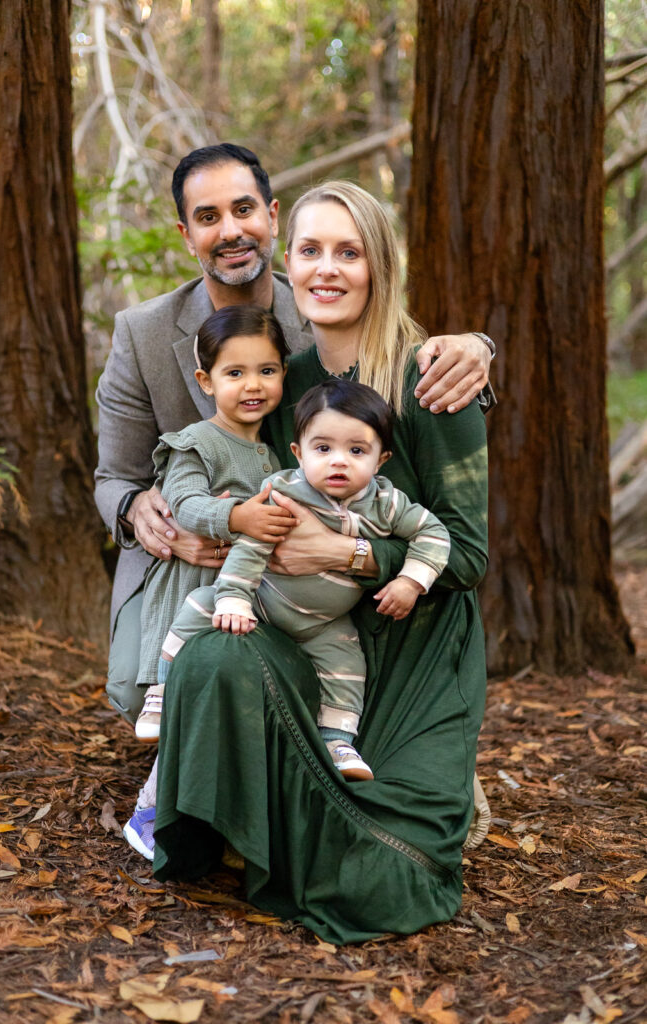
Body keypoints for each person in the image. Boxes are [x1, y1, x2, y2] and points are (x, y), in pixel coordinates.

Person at [151, 182, 489, 944]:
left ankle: (333, 811)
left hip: (414, 648)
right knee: (210, 655)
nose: (326, 268)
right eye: (310, 250)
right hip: (303, 627)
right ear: (287, 263)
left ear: (380, 265)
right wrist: (174, 513)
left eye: (349, 251)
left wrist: (349, 552)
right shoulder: (284, 379)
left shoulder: (431, 380)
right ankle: (217, 821)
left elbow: (467, 554)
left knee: (393, 874)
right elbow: (219, 467)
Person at [94, 144, 496, 726]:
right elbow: (113, 477)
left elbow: (396, 360)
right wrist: (140, 511)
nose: (230, 230)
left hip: (308, 553)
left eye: (243, 210)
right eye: (208, 218)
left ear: (272, 217)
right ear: (186, 235)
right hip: (184, 550)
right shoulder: (142, 334)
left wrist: (479, 347)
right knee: (148, 692)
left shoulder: (316, 309)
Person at [149, 379, 450, 783]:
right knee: (199, 605)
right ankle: (162, 692)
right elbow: (252, 546)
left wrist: (411, 581)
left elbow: (434, 533)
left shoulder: (386, 503)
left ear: (381, 460)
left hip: (326, 622)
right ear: (298, 452)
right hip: (264, 601)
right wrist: (235, 597)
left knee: (346, 664)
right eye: (323, 449)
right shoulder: (286, 493)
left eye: (357, 450)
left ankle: (337, 739)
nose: (338, 461)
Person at [132, 304, 293, 740]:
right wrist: (237, 516)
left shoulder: (278, 455)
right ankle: (160, 693)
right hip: (191, 576)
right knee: (185, 668)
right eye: (235, 373)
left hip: (242, 588)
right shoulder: (195, 443)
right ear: (207, 381)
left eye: (267, 370)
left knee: (229, 691)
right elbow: (183, 504)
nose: (253, 385)